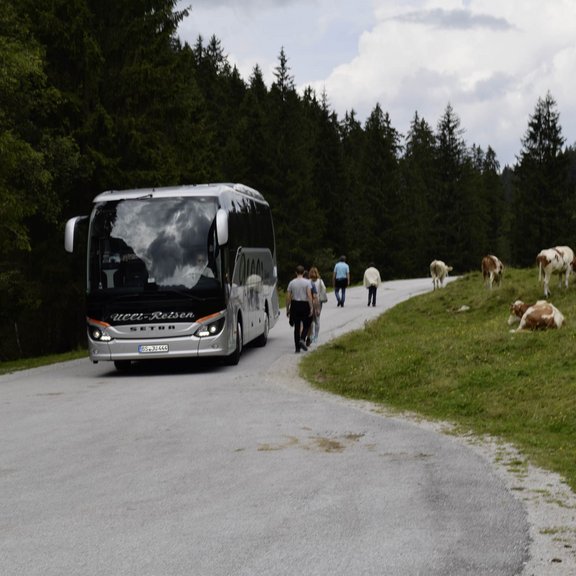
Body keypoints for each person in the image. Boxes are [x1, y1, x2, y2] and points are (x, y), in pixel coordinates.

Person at [286, 265, 314, 353]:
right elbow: (309, 295)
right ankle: (302, 339)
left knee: (297, 327)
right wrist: (311, 307)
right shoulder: (307, 282)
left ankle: (297, 348)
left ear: (296, 272)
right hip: (304, 304)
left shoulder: (291, 283)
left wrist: (288, 308)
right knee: (307, 323)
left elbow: (288, 297)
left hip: (295, 304)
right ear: (304, 272)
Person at [308, 266, 327, 344]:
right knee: (317, 319)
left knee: (311, 320)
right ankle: (316, 336)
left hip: (310, 302)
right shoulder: (320, 281)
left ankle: (311, 335)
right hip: (318, 302)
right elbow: (324, 289)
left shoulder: (308, 281)